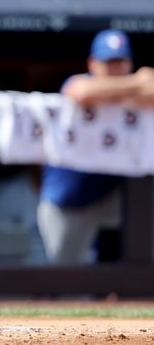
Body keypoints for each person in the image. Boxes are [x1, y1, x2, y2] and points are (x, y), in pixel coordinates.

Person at [37, 29, 151, 265]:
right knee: (61, 275)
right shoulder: (79, 81)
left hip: (114, 195)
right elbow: (82, 92)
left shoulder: (136, 93)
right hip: (69, 198)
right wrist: (135, 83)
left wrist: (125, 90)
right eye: (109, 62)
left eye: (120, 62)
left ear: (129, 62)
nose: (115, 68)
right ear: (92, 63)